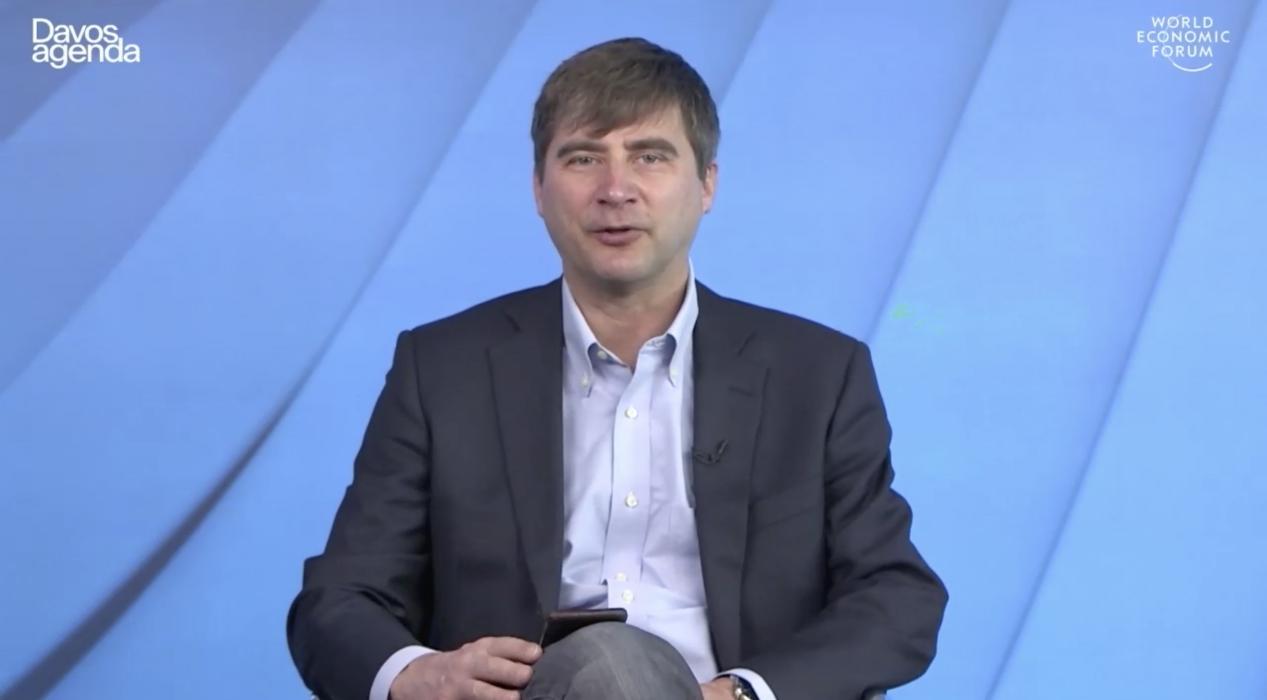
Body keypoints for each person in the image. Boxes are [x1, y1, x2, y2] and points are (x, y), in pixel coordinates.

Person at [287, 37, 946, 700]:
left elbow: (896, 597)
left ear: (707, 184)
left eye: (649, 157)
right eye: (583, 158)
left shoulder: (817, 375)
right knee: (609, 658)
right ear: (538, 187)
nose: (615, 190)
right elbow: (338, 599)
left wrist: (744, 693)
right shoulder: (443, 369)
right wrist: (417, 673)